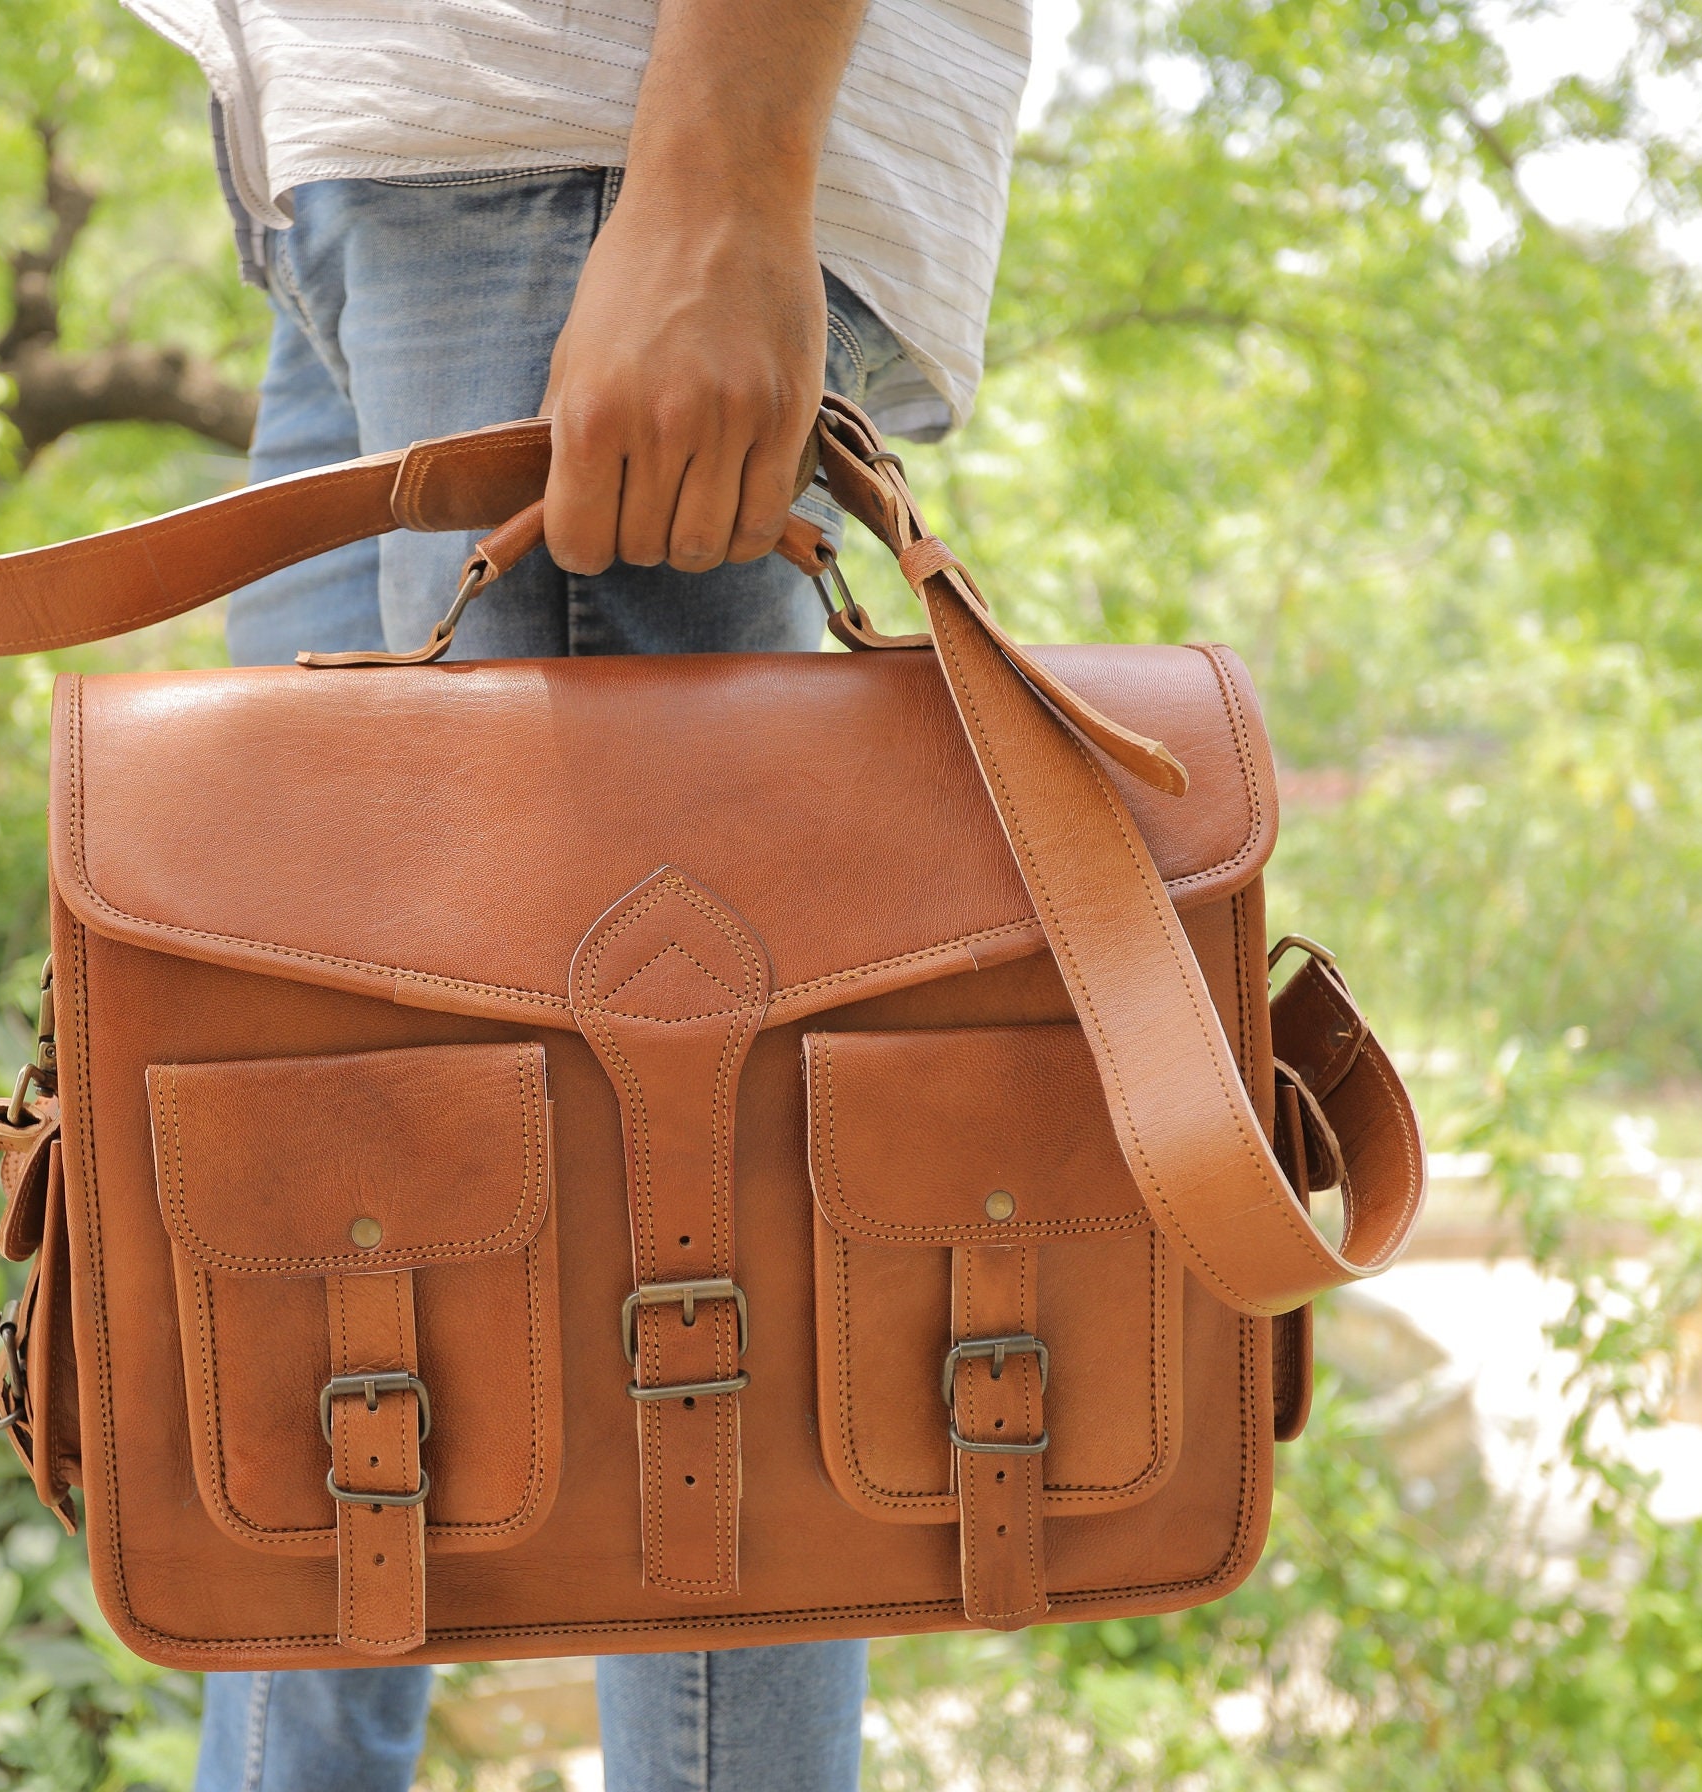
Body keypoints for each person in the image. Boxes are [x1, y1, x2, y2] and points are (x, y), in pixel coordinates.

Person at [115, 0, 1035, 1785]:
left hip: (585, 154)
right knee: (300, 1201)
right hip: (370, 187)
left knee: (698, 1221)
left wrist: (724, 169)